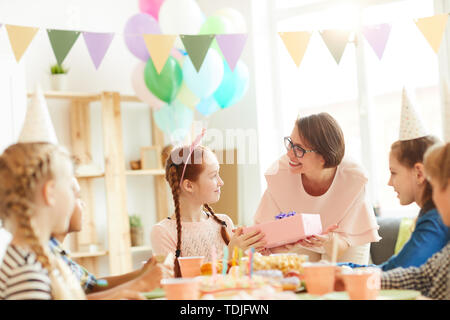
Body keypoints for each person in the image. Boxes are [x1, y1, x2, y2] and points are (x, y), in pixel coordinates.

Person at [253, 113, 380, 263]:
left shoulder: (353, 179)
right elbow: (265, 235)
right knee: (304, 280)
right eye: (290, 143)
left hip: (343, 240)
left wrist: (328, 242)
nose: (289, 154)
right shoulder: (280, 174)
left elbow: (342, 245)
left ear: (323, 157)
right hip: (302, 237)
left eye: (299, 149)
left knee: (345, 277)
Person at [151, 131, 266, 277]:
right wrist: (229, 256)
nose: (221, 182)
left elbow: (239, 276)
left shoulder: (223, 223)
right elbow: (175, 286)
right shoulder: (163, 232)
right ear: (189, 186)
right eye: (213, 176)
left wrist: (253, 254)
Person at [51, 178, 173, 299]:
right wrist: (141, 283)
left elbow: (92, 285)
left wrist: (142, 273)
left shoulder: (58, 252)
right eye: (77, 196)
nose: (83, 204)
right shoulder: (45, 255)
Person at [0, 142, 85, 299]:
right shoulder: (27, 274)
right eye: (69, 188)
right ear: (50, 192)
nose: (74, 199)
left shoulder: (33, 259)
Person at [380, 142, 450, 300]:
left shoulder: (433, 220)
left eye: (437, 187)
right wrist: (359, 278)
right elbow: (422, 276)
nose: (435, 198)